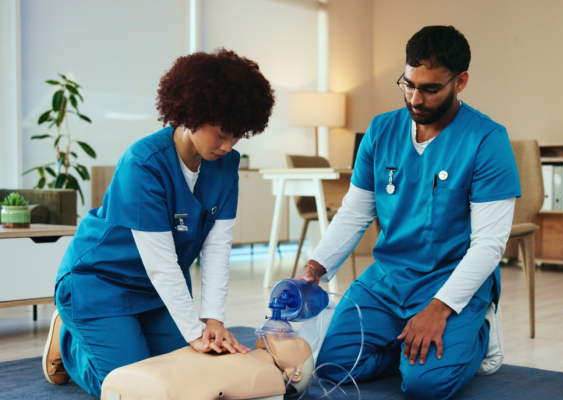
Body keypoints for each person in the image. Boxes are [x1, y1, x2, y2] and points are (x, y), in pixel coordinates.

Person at [295, 26, 521, 400]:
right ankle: (406, 348)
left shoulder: (487, 140)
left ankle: (478, 334)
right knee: (331, 366)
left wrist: (439, 309)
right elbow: (354, 213)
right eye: (408, 84)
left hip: (449, 281)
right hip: (388, 278)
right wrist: (314, 269)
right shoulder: (381, 130)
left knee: (426, 386)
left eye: (430, 88)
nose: (415, 98)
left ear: (460, 81)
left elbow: (489, 245)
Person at [42, 48, 275, 398]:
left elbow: (216, 248)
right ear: (193, 113)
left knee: (187, 374)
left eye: (237, 136)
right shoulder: (143, 163)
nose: (229, 146)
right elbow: (162, 263)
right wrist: (193, 331)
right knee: (135, 386)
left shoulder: (226, 165)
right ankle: (68, 341)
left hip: (155, 293)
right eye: (222, 134)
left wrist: (212, 320)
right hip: (99, 283)